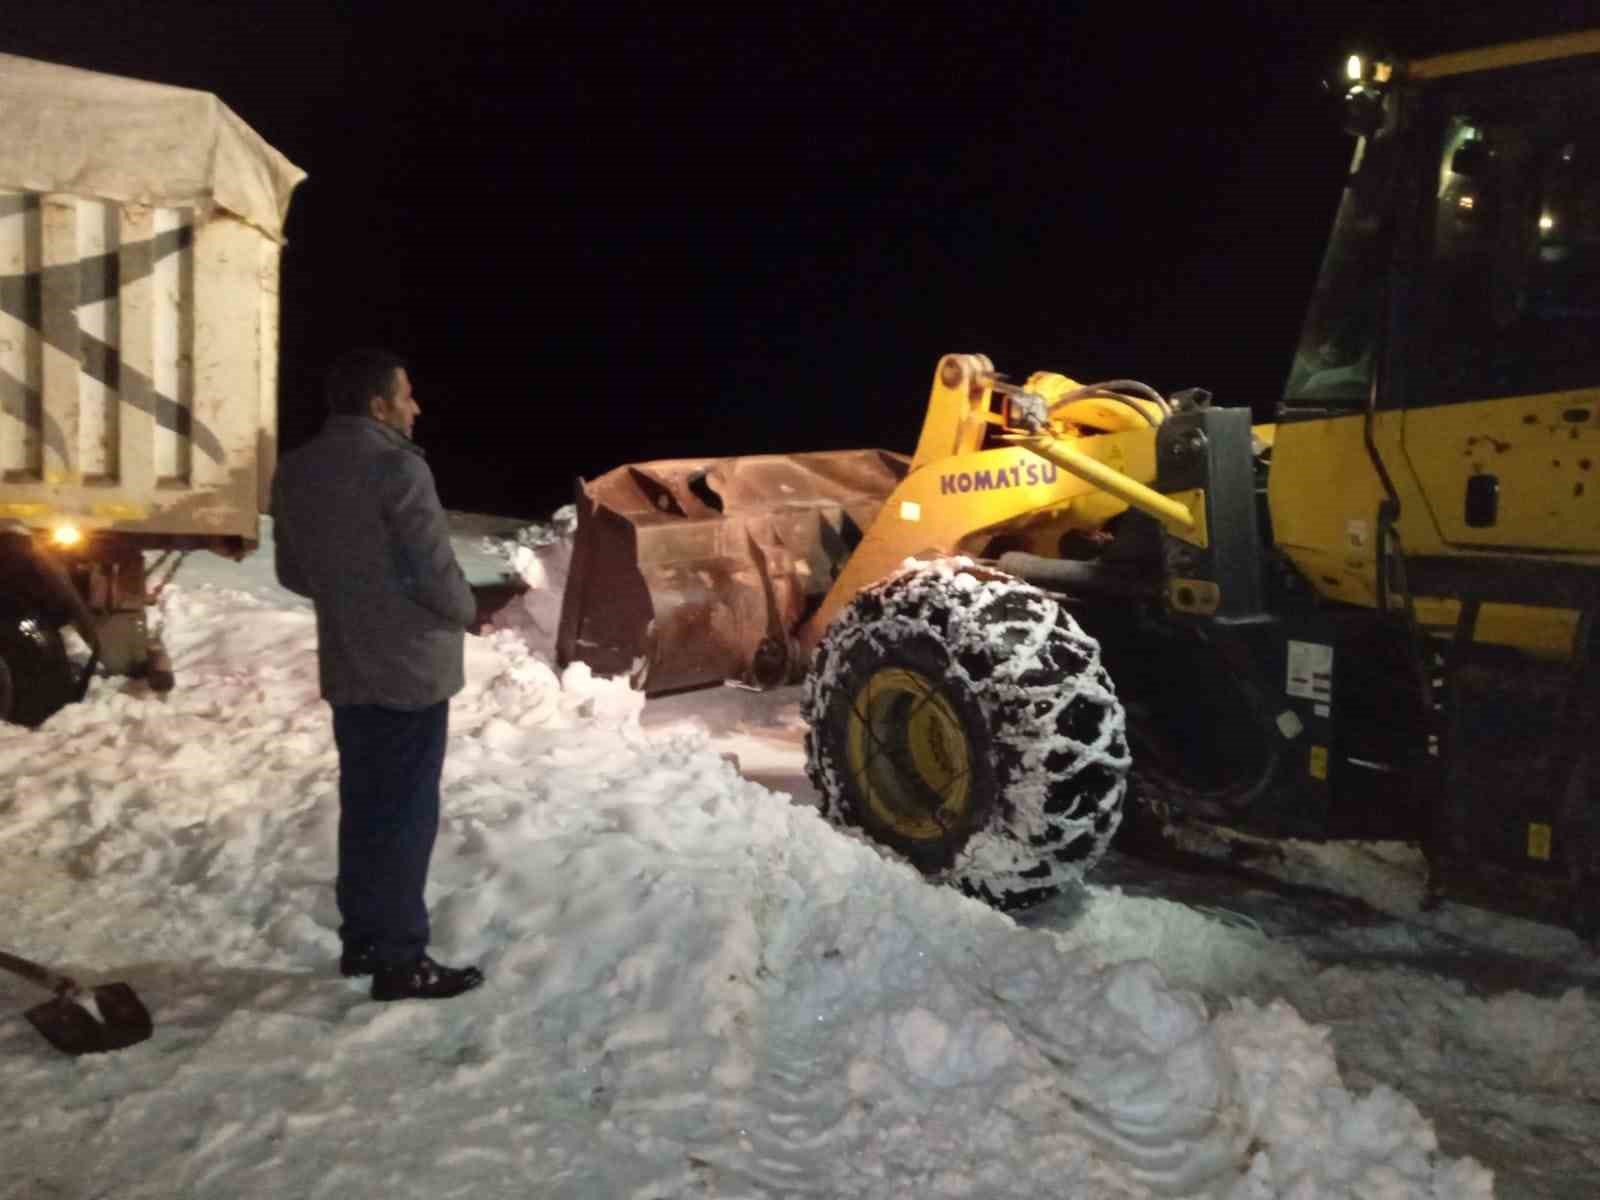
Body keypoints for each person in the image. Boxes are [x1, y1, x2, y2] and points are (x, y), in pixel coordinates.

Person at [271, 348, 484, 1002]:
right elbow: (434, 574)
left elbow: (292, 573)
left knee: (365, 807)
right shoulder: (398, 468)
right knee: (405, 816)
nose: (416, 407)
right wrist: (469, 609)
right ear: (378, 404)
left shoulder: (297, 469)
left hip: (349, 667)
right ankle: (400, 960)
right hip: (411, 674)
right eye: (408, 395)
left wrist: (355, 599)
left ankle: (363, 941)